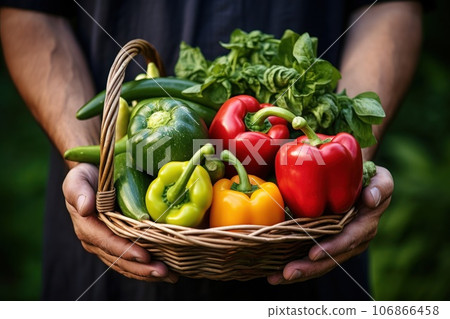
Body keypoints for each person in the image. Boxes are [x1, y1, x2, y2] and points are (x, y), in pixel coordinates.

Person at [0, 0, 423, 300]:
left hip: (310, 261)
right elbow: (30, 12)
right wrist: (86, 154)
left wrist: (353, 168)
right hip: (112, 268)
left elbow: (390, 5)